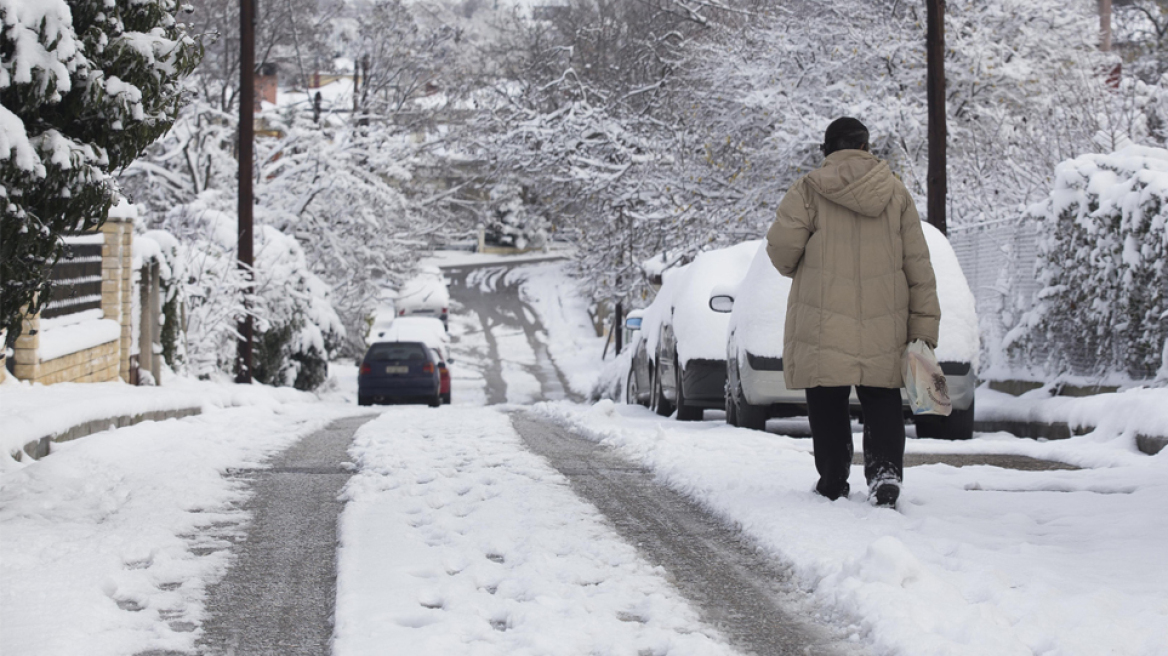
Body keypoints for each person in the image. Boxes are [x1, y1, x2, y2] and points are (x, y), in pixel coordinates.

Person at [765, 117, 940, 507]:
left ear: (826, 150)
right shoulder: (896, 194)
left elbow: (781, 252)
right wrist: (925, 327)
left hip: (823, 317)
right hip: (885, 319)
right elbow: (919, 266)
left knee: (827, 396)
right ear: (866, 148)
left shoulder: (808, 191)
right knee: (881, 395)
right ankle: (885, 475)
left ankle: (832, 479)